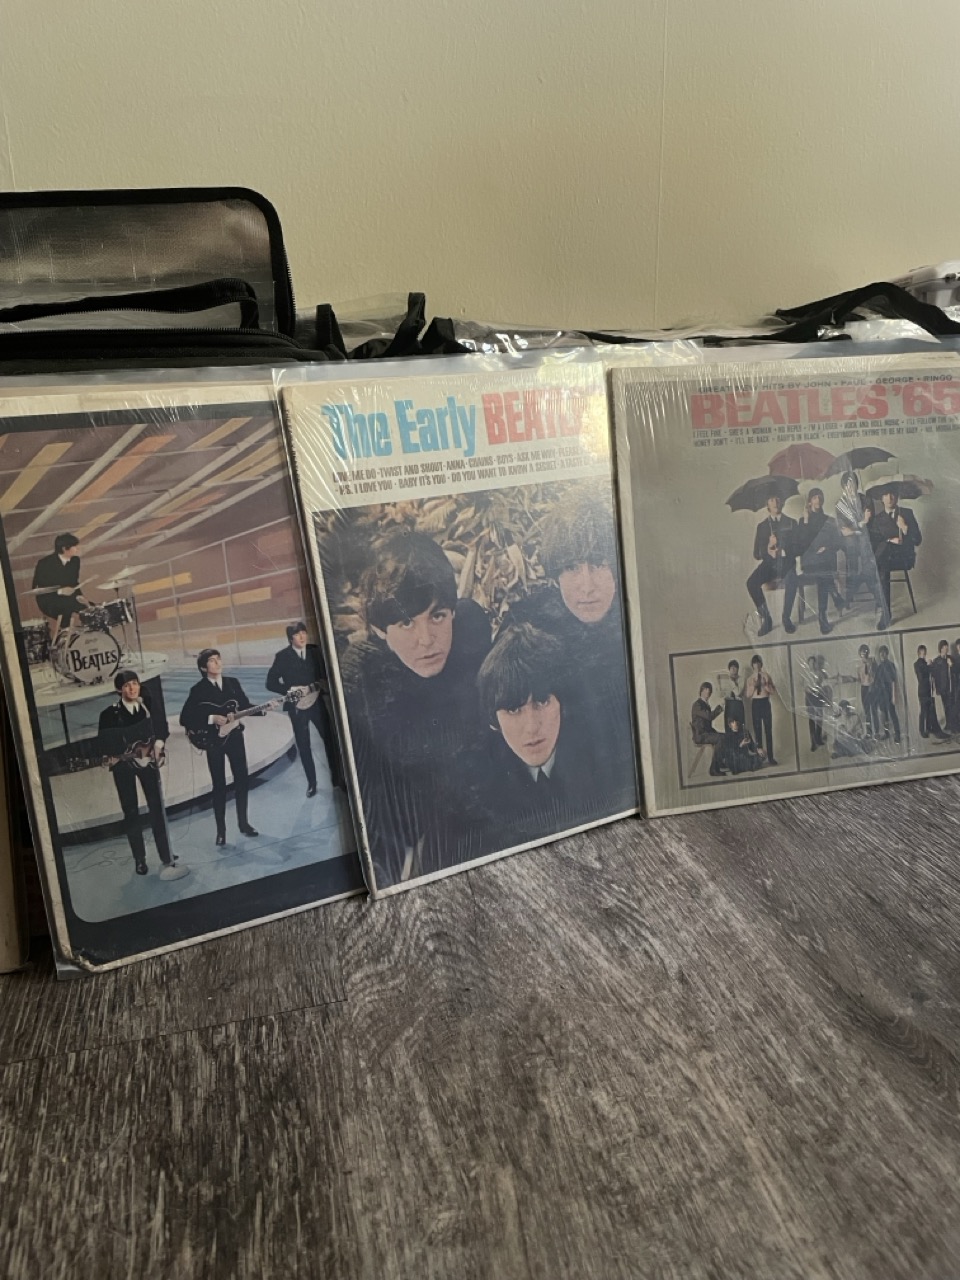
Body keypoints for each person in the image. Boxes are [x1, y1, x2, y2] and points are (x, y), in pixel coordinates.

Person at [340, 530, 492, 886]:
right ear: (379, 629)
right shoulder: (362, 674)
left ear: (453, 611)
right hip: (408, 834)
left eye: (437, 616)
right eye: (406, 622)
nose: (426, 640)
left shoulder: (471, 628)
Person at [503, 482, 636, 802]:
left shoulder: (637, 616)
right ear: (554, 575)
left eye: (599, 564)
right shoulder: (529, 625)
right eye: (572, 568)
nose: (587, 586)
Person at [457, 623, 608, 858]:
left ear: (562, 704)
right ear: (493, 720)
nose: (532, 727)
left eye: (543, 702)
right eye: (514, 710)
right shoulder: (475, 793)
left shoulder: (605, 760)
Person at [97, 669, 187, 879]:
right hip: (124, 767)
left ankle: (166, 855)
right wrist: (112, 755)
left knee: (157, 808)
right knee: (131, 813)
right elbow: (102, 743)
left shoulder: (147, 706)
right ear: (119, 689)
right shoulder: (109, 714)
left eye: (135, 683)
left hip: (149, 764)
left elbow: (161, 728)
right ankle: (140, 859)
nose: (132, 688)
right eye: (127, 685)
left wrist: (158, 744)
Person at [179, 649, 263, 847]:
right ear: (203, 667)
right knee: (219, 786)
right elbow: (185, 718)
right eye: (212, 661)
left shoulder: (233, 683)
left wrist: (263, 710)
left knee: (242, 780)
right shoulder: (198, 690)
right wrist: (211, 718)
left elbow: (244, 706)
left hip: (234, 737)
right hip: (213, 741)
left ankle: (244, 824)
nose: (217, 663)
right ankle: (221, 832)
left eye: (219, 659)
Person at [266, 621, 342, 797]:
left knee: (330, 740)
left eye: (304, 633)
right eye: (297, 634)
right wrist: (289, 690)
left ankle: (337, 779)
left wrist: (316, 686)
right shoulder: (282, 656)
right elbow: (270, 683)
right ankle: (312, 784)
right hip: (296, 707)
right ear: (290, 638)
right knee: (304, 745)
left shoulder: (315, 651)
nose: (302, 637)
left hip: (316, 703)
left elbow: (326, 675)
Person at [781, 489, 844, 635]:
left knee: (823, 573)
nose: (818, 500)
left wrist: (827, 547)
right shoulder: (803, 521)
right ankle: (833, 597)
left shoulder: (830, 520)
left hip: (825, 561)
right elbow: (800, 545)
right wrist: (806, 521)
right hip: (810, 562)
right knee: (823, 572)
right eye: (815, 497)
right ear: (809, 501)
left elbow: (839, 542)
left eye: (820, 497)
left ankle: (823, 616)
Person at [835, 472, 889, 629]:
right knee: (851, 543)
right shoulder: (840, 504)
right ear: (844, 487)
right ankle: (856, 585)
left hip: (867, 540)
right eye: (848, 484)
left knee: (867, 548)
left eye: (854, 484)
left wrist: (858, 526)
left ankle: (868, 583)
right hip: (850, 544)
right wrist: (861, 523)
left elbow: (870, 524)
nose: (852, 487)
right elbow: (844, 531)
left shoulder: (866, 499)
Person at [869, 484, 922, 625]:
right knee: (882, 564)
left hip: (903, 558)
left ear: (897, 496)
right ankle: (887, 612)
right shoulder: (877, 519)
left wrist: (905, 528)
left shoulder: (907, 513)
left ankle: (885, 611)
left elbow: (918, 540)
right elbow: (873, 543)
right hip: (885, 559)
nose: (890, 498)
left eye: (892, 494)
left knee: (879, 566)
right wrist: (889, 540)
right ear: (881, 498)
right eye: (886, 494)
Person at [746, 496, 797, 636]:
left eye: (777, 499)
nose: (775, 502)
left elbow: (798, 548)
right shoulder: (762, 526)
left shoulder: (792, 523)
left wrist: (782, 551)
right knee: (751, 583)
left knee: (793, 580)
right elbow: (757, 554)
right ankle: (767, 619)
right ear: (767, 504)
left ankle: (786, 618)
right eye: (771, 500)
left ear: (782, 502)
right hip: (769, 565)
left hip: (786, 564)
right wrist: (768, 548)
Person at [31, 533, 94, 640]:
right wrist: (59, 591)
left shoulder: (75, 561)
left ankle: (90, 639)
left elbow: (74, 583)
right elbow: (38, 589)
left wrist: (80, 597)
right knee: (66, 612)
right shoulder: (44, 564)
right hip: (48, 599)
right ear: (65, 548)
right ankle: (67, 639)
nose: (77, 549)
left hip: (69, 597)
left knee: (92, 609)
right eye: (75, 546)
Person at [744, 653, 777, 765]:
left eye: (758, 662)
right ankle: (760, 758)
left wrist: (765, 685)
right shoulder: (749, 679)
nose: (756, 665)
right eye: (754, 663)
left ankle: (771, 758)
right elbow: (748, 695)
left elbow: (773, 691)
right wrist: (753, 685)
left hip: (765, 703)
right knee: (758, 732)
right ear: (752, 665)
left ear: (761, 664)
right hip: (756, 704)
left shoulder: (766, 675)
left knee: (768, 731)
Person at [691, 681, 726, 777]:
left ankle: (720, 763)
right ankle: (714, 769)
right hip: (700, 736)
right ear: (701, 691)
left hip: (705, 733)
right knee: (720, 738)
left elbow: (707, 724)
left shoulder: (705, 704)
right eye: (705, 689)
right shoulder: (697, 704)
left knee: (724, 736)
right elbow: (709, 716)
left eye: (709, 690)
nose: (708, 692)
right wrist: (720, 707)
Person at [914, 644, 948, 741]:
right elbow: (921, 677)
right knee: (924, 710)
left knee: (930, 709)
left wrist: (930, 665)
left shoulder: (924, 663)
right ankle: (922, 731)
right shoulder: (917, 664)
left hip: (928, 690)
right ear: (918, 653)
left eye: (924, 653)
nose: (923, 654)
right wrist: (928, 665)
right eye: (921, 653)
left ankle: (929, 728)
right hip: (923, 691)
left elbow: (932, 670)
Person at [803, 654, 832, 752]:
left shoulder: (820, 673)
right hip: (810, 698)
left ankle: (818, 739)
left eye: (813, 663)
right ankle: (813, 742)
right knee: (812, 720)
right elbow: (805, 687)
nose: (812, 665)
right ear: (808, 664)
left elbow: (824, 683)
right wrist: (812, 691)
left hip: (818, 698)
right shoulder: (806, 675)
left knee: (819, 719)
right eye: (810, 663)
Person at [873, 645, 901, 744]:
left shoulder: (890, 665)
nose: (882, 655)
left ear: (887, 654)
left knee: (892, 714)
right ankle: (887, 733)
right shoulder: (879, 667)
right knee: (884, 714)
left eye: (884, 653)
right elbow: (876, 682)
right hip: (881, 694)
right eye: (881, 653)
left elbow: (893, 681)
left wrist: (893, 696)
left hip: (889, 693)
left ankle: (898, 734)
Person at [856, 643, 880, 738]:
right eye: (862, 653)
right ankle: (869, 733)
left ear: (868, 652)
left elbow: (876, 675)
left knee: (874, 710)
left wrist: (872, 684)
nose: (864, 654)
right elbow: (859, 678)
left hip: (872, 687)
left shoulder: (873, 662)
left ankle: (876, 732)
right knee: (866, 712)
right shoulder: (859, 665)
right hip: (864, 688)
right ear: (859, 654)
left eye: (865, 652)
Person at [718, 658, 747, 732]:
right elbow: (722, 695)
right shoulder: (725, 680)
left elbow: (737, 692)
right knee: (729, 729)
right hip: (729, 705)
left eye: (735, 667)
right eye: (731, 668)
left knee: (740, 728)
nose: (733, 669)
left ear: (738, 669)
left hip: (738, 705)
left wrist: (731, 681)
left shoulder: (741, 679)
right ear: (729, 669)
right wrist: (719, 684)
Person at [932, 639, 953, 734]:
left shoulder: (950, 658)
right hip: (943, 688)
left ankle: (952, 725)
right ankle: (948, 725)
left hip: (952, 687)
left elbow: (955, 671)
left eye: (947, 647)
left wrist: (951, 665)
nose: (946, 649)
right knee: (945, 706)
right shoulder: (937, 661)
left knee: (952, 706)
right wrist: (937, 688)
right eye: (945, 647)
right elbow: (935, 676)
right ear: (941, 648)